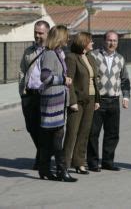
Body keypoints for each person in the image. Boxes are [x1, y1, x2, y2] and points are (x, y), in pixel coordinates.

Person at [87, 30, 130, 172]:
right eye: (109, 40)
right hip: (98, 101)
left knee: (112, 133)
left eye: (115, 41)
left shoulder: (120, 59)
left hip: (113, 101)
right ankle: (92, 162)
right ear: (104, 41)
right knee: (93, 133)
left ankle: (107, 161)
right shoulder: (93, 56)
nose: (112, 43)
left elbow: (124, 79)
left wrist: (125, 96)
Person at [39, 25, 77, 182]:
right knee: (56, 138)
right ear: (60, 37)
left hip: (57, 102)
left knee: (52, 138)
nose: (68, 39)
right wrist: (63, 79)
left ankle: (46, 170)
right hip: (52, 104)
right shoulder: (49, 54)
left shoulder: (57, 53)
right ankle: (61, 171)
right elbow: (45, 77)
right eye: (66, 36)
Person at [63, 32, 100, 175]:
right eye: (90, 41)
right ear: (83, 42)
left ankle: (79, 163)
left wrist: (96, 99)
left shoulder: (90, 58)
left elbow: (94, 80)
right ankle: (64, 163)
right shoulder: (71, 58)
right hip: (77, 101)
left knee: (84, 133)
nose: (93, 44)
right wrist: (72, 101)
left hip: (90, 99)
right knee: (72, 132)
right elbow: (69, 82)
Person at [19, 20, 50, 170]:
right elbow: (22, 71)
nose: (37, 35)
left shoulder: (53, 51)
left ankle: (41, 159)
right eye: (35, 32)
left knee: (43, 128)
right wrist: (22, 91)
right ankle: (43, 153)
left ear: (48, 33)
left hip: (45, 96)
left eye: (40, 33)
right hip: (29, 95)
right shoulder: (29, 51)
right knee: (31, 128)